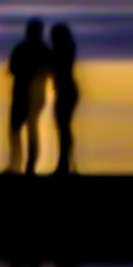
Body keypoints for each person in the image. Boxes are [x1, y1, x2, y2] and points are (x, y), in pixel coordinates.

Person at [5, 19, 49, 175]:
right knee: (22, 131)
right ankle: (21, 166)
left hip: (29, 97)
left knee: (21, 131)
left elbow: (11, 70)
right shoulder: (42, 50)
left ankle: (21, 166)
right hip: (29, 97)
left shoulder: (25, 49)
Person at [48, 22, 81, 174]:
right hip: (66, 90)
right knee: (64, 128)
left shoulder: (62, 49)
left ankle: (65, 164)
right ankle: (67, 163)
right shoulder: (66, 48)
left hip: (65, 91)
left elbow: (54, 65)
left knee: (63, 127)